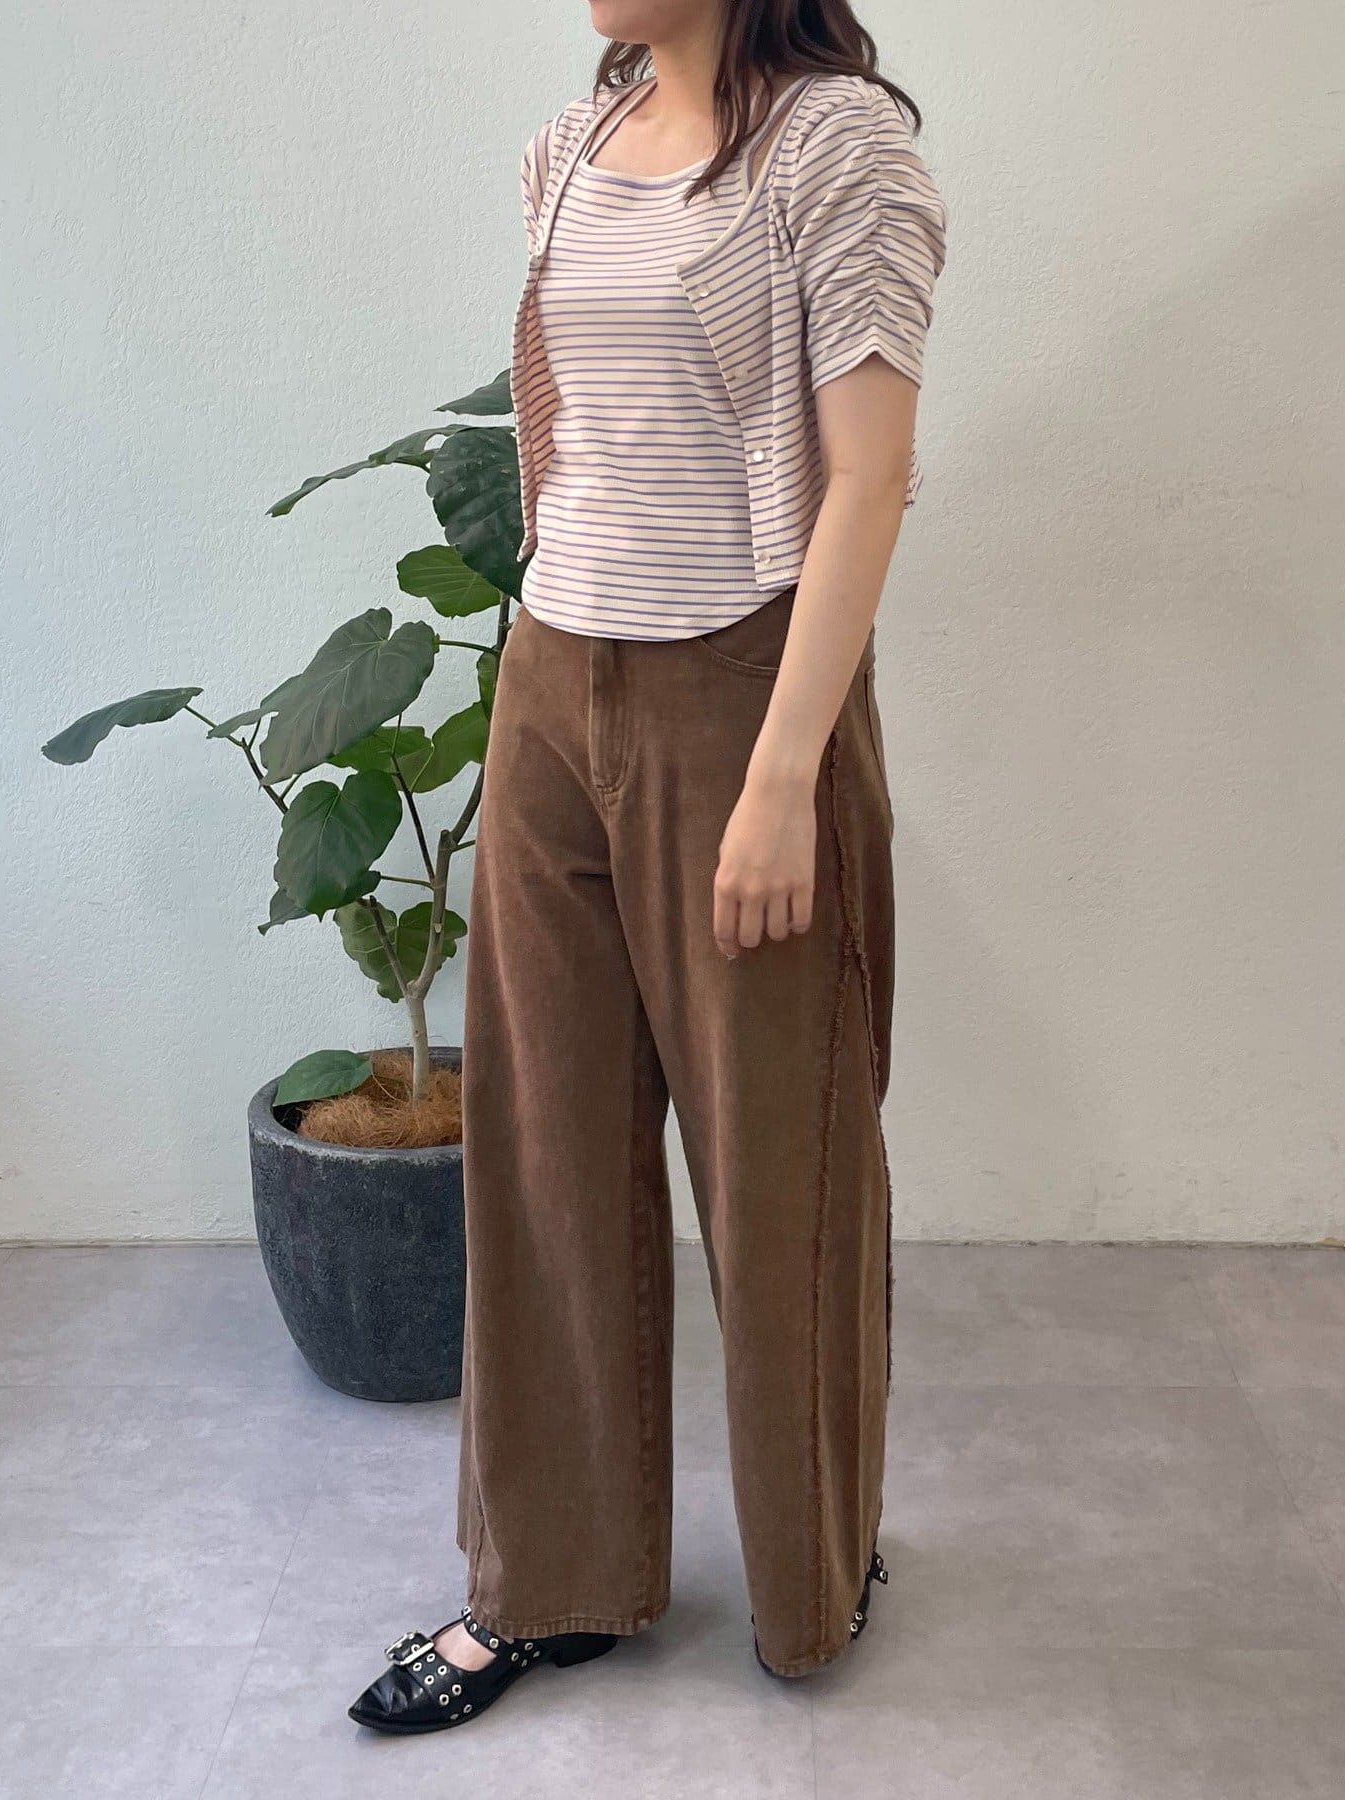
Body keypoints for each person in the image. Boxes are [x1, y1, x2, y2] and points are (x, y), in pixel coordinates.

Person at [350, 0, 946, 1732]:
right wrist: (546, 670)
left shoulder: (838, 147)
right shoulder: (576, 141)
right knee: (544, 1156)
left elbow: (871, 479)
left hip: (740, 691)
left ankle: (814, 1579)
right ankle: (548, 1584)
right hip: (553, 682)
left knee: (781, 1166)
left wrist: (783, 776)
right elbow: (574, 428)